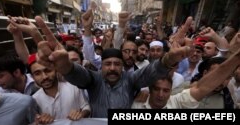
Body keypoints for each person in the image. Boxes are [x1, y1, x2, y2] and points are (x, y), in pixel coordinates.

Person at [28, 10, 191, 117]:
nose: (112, 68)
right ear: (101, 65)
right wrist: (64, 66)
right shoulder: (94, 79)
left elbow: (151, 72)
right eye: (107, 64)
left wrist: (169, 59)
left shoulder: (131, 79)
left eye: (117, 64)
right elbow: (78, 75)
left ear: (122, 66)